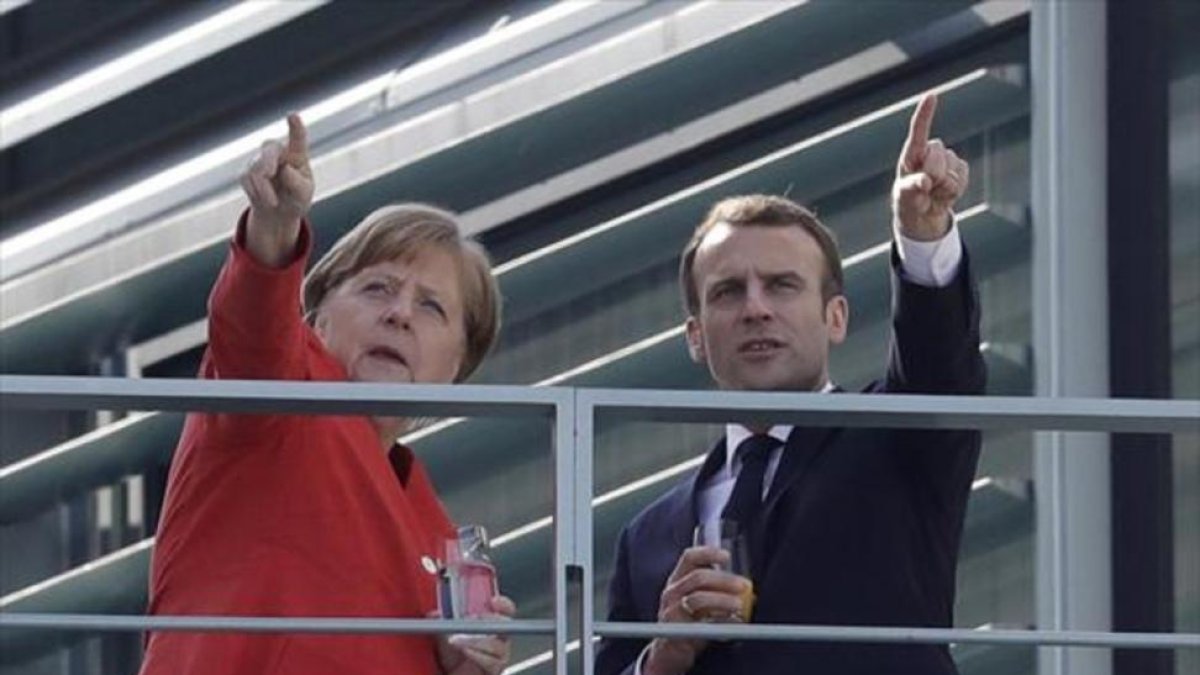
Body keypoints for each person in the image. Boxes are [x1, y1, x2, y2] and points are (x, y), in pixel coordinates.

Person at [595, 93, 986, 675]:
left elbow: (941, 365)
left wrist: (923, 235)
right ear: (696, 336)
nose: (756, 309)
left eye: (782, 286)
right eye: (729, 291)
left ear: (836, 318)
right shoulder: (647, 536)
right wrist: (664, 655)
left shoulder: (896, 437)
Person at [140, 114, 515, 675]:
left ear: (457, 366)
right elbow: (251, 323)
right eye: (377, 288)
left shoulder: (438, 529)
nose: (399, 314)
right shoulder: (280, 394)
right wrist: (275, 224)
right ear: (315, 321)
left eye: (431, 307)